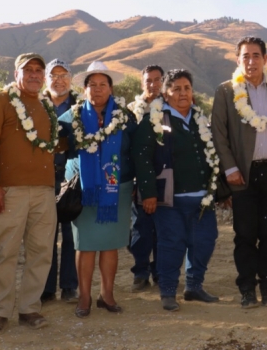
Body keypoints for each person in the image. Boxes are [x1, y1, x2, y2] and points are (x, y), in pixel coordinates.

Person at [0, 52, 58, 334]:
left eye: (39, 70)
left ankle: (30, 309)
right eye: (28, 70)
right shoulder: (1, 102)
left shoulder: (47, 106)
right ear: (17, 75)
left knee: (41, 252)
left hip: (45, 192)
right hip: (9, 192)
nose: (34, 74)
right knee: (5, 251)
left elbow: (51, 145)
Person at [132, 69, 222, 311]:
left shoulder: (199, 119)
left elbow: (213, 156)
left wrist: (219, 191)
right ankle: (168, 291)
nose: (183, 93)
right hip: (168, 199)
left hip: (202, 199)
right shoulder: (155, 119)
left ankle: (194, 286)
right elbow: (142, 157)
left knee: (204, 241)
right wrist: (148, 192)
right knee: (171, 244)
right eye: (176, 89)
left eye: (187, 88)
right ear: (166, 93)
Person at [212, 37, 267, 308]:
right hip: (242, 174)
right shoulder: (226, 92)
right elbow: (218, 133)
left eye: (256, 55)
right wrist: (230, 168)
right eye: (245, 56)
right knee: (244, 234)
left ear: (265, 59)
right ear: (238, 60)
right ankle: (247, 287)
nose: (251, 61)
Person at [59, 62, 136, 317]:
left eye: (103, 84)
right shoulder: (71, 117)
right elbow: (59, 149)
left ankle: (107, 295)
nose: (98, 89)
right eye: (92, 85)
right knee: (85, 244)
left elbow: (135, 153)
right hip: (85, 189)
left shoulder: (126, 117)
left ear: (111, 88)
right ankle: (84, 297)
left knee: (110, 244)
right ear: (84, 89)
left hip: (118, 188)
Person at [41, 59, 79, 304]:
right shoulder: (33, 104)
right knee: (44, 234)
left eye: (63, 74)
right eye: (53, 75)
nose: (59, 79)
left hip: (71, 176)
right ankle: (45, 288)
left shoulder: (80, 106)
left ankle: (69, 286)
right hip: (41, 177)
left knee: (71, 232)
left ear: (71, 78)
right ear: (46, 79)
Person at [128, 65, 164, 291]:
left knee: (163, 228)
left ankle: (160, 271)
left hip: (165, 176)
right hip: (138, 178)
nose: (152, 84)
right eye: (148, 80)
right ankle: (140, 272)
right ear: (142, 84)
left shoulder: (169, 107)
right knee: (140, 229)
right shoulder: (132, 110)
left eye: (157, 80)